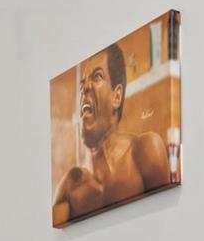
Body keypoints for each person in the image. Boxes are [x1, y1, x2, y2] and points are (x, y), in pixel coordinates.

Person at [53, 42, 170, 220]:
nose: (85, 88)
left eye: (97, 77)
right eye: (82, 83)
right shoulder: (69, 187)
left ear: (116, 97)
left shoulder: (145, 150)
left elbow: (170, 220)